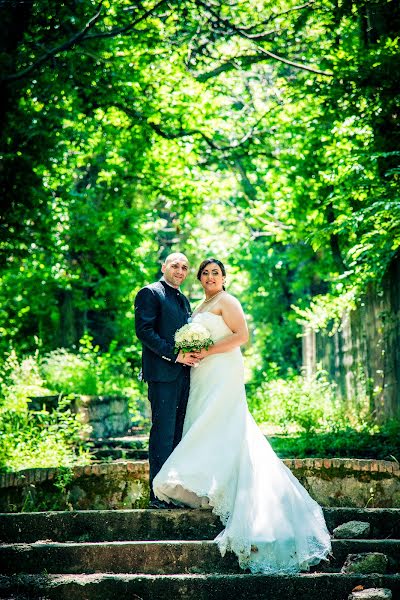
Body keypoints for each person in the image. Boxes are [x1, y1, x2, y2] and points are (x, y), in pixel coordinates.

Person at [153, 257, 332, 573]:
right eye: (206, 273)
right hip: (201, 372)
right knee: (202, 421)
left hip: (222, 368)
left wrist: (206, 351)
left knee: (221, 421)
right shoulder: (200, 303)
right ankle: (209, 481)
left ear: (224, 277)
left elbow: (241, 336)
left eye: (216, 273)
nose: (210, 277)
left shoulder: (227, 300)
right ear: (200, 278)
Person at [134, 252, 199, 508]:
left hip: (184, 376)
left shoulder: (183, 299)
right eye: (175, 265)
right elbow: (144, 331)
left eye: (184, 267)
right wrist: (175, 355)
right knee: (162, 434)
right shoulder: (150, 293)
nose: (180, 270)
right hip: (162, 375)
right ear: (164, 267)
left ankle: (171, 491)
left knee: (177, 435)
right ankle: (157, 494)